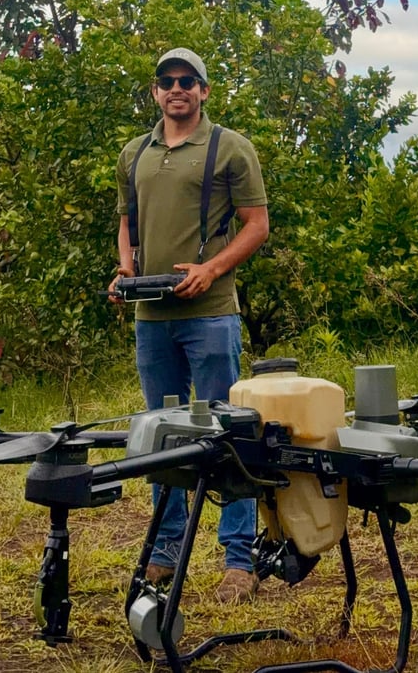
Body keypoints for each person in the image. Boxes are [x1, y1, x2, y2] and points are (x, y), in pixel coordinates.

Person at [109, 47, 269, 603]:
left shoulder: (230, 147)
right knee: (161, 435)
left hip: (211, 315)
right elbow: (127, 225)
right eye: (167, 80)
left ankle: (239, 561)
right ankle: (165, 552)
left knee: (229, 433)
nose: (176, 88)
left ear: (204, 90)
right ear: (155, 91)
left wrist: (211, 269)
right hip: (152, 318)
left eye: (187, 80)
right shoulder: (134, 153)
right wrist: (125, 270)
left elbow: (257, 225)